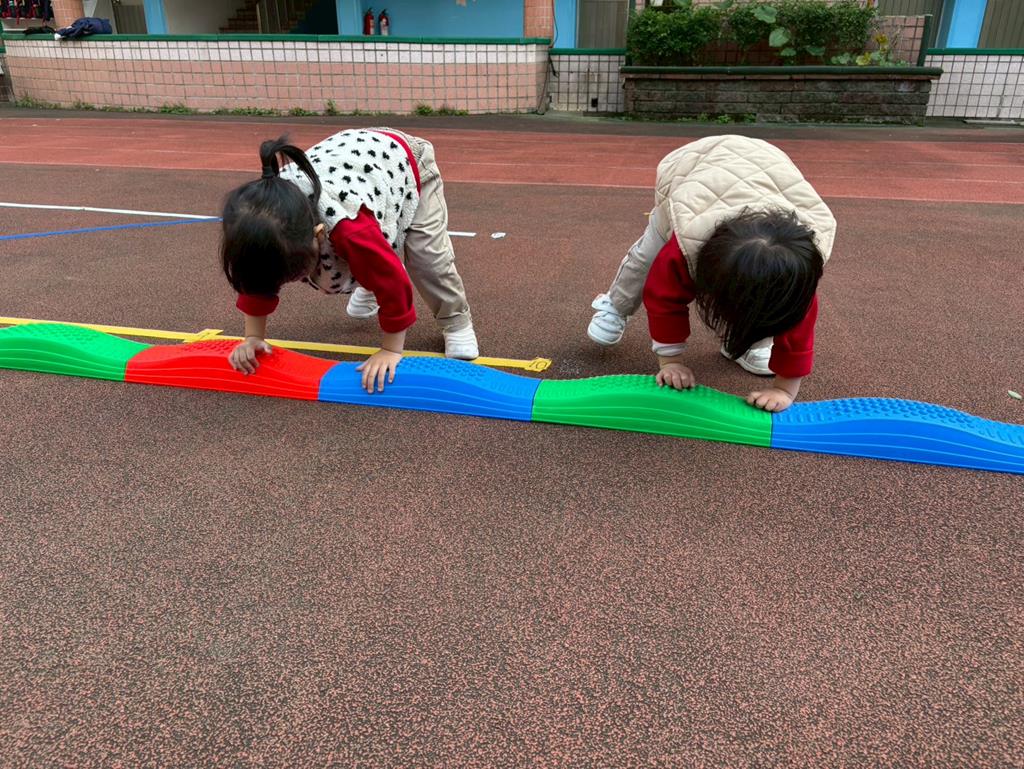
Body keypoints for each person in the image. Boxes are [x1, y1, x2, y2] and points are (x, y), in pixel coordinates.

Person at [586, 135, 836, 412]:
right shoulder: (685, 245)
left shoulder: (795, 277)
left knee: (769, 303)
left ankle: (744, 344)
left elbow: (797, 325)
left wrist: (784, 389)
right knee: (646, 258)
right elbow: (663, 297)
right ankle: (615, 306)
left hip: (770, 175)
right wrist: (671, 362)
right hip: (690, 180)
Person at [220, 128, 478, 393]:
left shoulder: (350, 229)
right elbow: (256, 280)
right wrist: (253, 337)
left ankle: (455, 320)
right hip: (360, 175)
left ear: (318, 234)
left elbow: (392, 281)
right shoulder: (262, 223)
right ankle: (369, 278)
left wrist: (390, 350)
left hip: (407, 163)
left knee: (426, 257)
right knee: (366, 258)